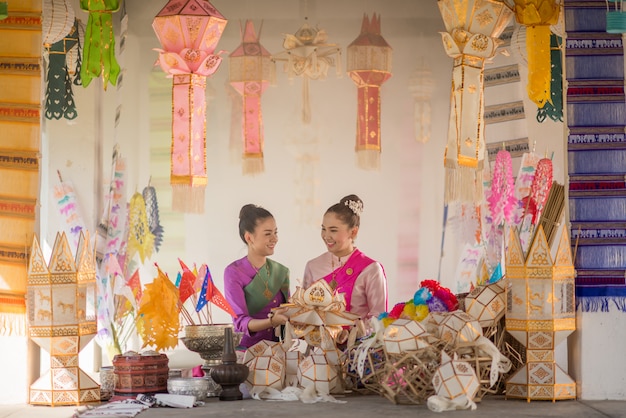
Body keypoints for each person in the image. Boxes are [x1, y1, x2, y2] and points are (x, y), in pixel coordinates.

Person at [302, 194, 388, 321]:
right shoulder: (313, 266)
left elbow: (379, 318)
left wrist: (352, 333)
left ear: (353, 232)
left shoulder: (371, 269)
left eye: (333, 230)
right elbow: (303, 309)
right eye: (323, 229)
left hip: (358, 340)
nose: (326, 236)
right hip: (317, 340)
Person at [224, 204, 290, 349]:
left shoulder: (280, 272)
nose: (275, 239)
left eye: (275, 232)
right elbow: (240, 322)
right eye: (268, 234)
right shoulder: (234, 272)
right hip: (247, 352)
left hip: (277, 352)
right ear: (249, 237)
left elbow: (288, 311)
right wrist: (272, 321)